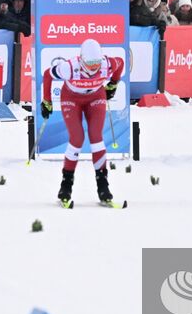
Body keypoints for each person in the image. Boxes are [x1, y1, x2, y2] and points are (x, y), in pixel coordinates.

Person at [39, 38, 127, 207]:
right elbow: (48, 74)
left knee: (96, 137)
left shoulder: (106, 64)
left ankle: (103, 187)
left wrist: (113, 85)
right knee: (77, 138)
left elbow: (121, 63)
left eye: (96, 63)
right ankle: (66, 185)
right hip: (71, 98)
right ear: (81, 59)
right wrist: (47, 101)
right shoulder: (70, 67)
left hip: (95, 97)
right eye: (90, 63)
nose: (94, 67)